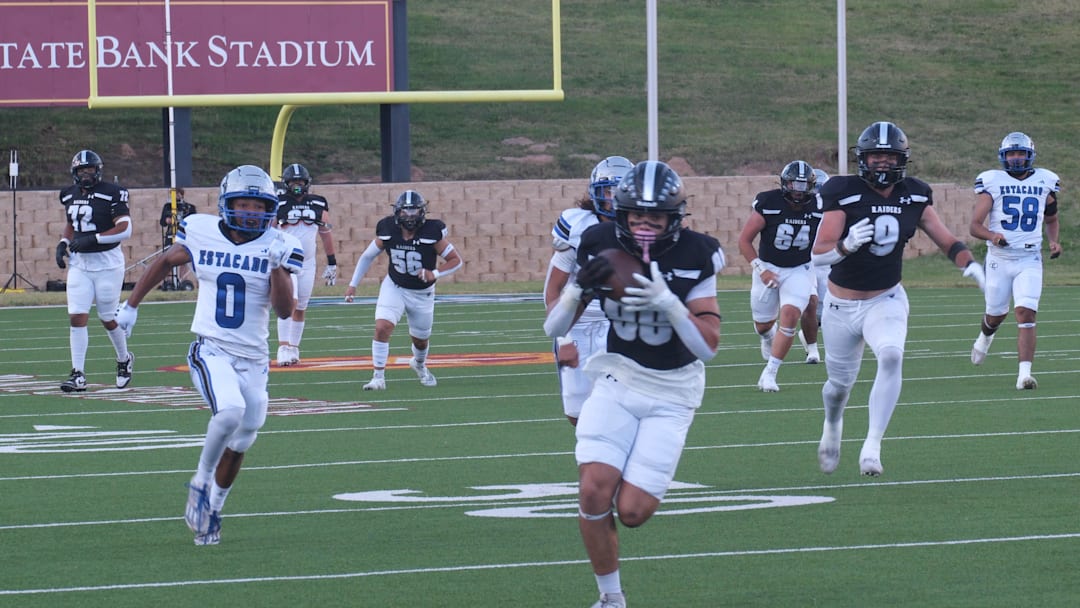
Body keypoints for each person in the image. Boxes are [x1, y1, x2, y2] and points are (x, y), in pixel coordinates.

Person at [543, 160, 725, 608]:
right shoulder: (598, 243)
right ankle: (611, 598)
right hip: (616, 375)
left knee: (633, 512)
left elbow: (708, 348)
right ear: (621, 216)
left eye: (655, 218)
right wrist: (574, 294)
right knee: (592, 489)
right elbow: (554, 327)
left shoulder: (696, 254)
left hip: (673, 390)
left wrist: (669, 303)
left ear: (673, 218)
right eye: (637, 217)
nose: (645, 227)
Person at [115, 165, 302, 545]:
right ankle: (200, 482)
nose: (250, 212)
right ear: (227, 204)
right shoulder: (201, 230)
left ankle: (211, 510)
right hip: (210, 348)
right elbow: (168, 260)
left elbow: (285, 311)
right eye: (243, 204)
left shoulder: (281, 244)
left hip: (253, 357)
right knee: (229, 412)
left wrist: (279, 267)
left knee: (245, 436)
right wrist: (131, 305)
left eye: (258, 205)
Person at [811, 121, 986, 478]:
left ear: (901, 159)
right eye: (875, 156)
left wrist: (970, 266)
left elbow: (946, 239)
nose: (882, 164)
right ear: (863, 158)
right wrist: (845, 245)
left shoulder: (916, 194)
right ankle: (833, 425)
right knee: (837, 388)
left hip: (885, 298)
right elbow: (818, 254)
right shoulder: (842, 191)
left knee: (891, 356)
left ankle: (872, 445)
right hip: (841, 305)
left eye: (889, 157)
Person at [968, 132, 1062, 390]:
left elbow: (1051, 218)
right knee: (995, 315)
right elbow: (975, 226)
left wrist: (1054, 240)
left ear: (1029, 155)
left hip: (1030, 257)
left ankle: (1024, 375)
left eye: (1021, 153)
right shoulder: (992, 182)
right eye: (1012, 153)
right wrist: (992, 235)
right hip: (999, 258)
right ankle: (985, 338)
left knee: (1026, 311)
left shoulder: (1045, 181)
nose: (1016, 158)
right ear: (1004, 156)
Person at [544, 155, 633, 425]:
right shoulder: (577, 226)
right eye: (608, 191)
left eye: (621, 191)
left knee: (616, 405)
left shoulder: (639, 229)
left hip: (615, 325)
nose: (614, 199)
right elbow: (552, 290)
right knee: (577, 414)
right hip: (577, 325)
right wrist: (564, 340)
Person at [343, 190, 463, 390]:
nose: (409, 215)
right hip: (395, 286)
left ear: (422, 212)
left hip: (422, 293)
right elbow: (367, 256)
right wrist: (353, 284)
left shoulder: (432, 232)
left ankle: (419, 364)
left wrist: (435, 273)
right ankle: (378, 377)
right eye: (405, 211)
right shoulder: (388, 229)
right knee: (382, 327)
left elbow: (455, 260)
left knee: (421, 340)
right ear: (397, 212)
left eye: (414, 210)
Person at [54, 149, 135, 392]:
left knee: (107, 317)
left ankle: (124, 358)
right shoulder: (68, 194)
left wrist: (94, 239)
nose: (86, 174)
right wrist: (63, 243)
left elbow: (125, 228)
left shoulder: (113, 193)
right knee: (77, 316)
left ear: (98, 170)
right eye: (81, 170)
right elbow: (72, 223)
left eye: (90, 169)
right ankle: (78, 374)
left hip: (107, 263)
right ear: (74, 173)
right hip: (80, 264)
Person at [737, 160, 821, 392]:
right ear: (784, 183)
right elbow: (744, 241)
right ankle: (766, 338)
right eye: (794, 184)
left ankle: (770, 373)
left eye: (803, 185)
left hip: (799, 269)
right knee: (763, 326)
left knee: (791, 314)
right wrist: (761, 270)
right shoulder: (768, 202)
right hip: (768, 266)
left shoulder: (820, 206)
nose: (798, 190)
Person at [274, 163, 339, 366]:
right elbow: (270, 229)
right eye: (293, 182)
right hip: (286, 260)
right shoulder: (278, 202)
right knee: (290, 303)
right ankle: (282, 347)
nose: (297, 185)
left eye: (300, 182)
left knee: (301, 306)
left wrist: (332, 262)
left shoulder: (318, 203)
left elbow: (325, 233)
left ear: (307, 183)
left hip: (308, 262)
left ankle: (294, 348)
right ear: (286, 183)